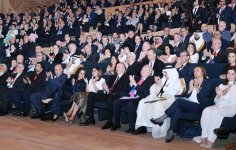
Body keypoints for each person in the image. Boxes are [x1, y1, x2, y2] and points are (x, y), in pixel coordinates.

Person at [150, 66, 212, 143]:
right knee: (177, 109)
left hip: (199, 106)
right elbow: (187, 95)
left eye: (197, 70)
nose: (195, 72)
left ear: (203, 72)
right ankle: (171, 131)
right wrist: (190, 89)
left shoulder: (208, 82)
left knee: (179, 101)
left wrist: (196, 87)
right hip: (189, 102)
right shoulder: (192, 81)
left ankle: (162, 118)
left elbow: (203, 98)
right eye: (194, 71)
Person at [134, 66, 183, 138]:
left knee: (157, 104)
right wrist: (156, 84)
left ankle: (158, 130)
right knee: (142, 102)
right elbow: (154, 91)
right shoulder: (163, 80)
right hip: (160, 98)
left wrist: (161, 86)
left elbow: (172, 94)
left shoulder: (176, 81)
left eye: (166, 73)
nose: (165, 75)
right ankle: (142, 126)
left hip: (169, 100)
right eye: (164, 73)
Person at [200, 67, 236, 149]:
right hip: (219, 106)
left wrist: (222, 95)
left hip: (231, 108)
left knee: (216, 112)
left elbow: (234, 100)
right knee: (206, 110)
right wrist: (218, 95)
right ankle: (204, 137)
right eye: (228, 73)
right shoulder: (222, 85)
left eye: (232, 74)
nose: (230, 76)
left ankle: (211, 140)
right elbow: (216, 101)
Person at [111, 65, 155, 133]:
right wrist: (131, 85)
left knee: (130, 103)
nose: (143, 71)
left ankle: (132, 127)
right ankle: (116, 123)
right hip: (132, 96)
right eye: (142, 69)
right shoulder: (139, 79)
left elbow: (146, 93)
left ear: (150, 72)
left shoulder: (151, 80)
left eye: (145, 70)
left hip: (141, 99)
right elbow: (133, 90)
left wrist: (134, 84)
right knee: (116, 102)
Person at [101, 63, 130, 129]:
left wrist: (111, 93)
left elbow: (125, 91)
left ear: (124, 69)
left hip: (120, 95)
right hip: (110, 95)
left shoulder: (126, 77)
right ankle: (90, 118)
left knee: (111, 97)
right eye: (116, 67)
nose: (117, 68)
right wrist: (105, 89)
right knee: (92, 95)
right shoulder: (112, 77)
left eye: (119, 67)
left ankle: (111, 121)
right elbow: (108, 88)